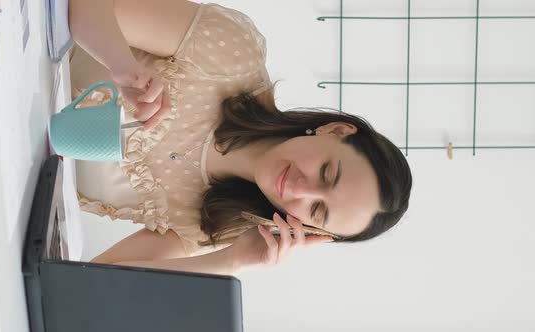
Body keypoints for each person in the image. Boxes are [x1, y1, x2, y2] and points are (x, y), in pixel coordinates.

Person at [68, 0, 412, 275]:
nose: (299, 188)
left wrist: (230, 261)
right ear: (335, 131)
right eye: (326, 173)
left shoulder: (213, 225)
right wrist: (121, 64)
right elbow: (88, 4)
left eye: (317, 209)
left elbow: (98, 276)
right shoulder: (232, 57)